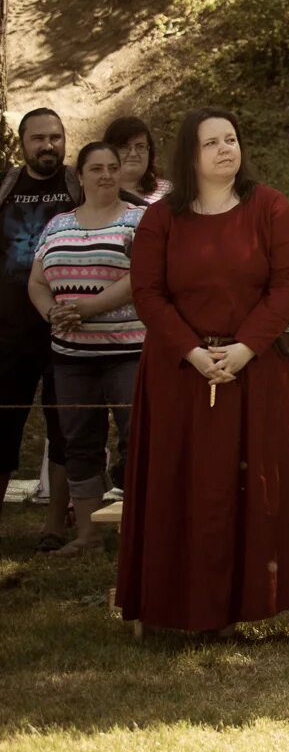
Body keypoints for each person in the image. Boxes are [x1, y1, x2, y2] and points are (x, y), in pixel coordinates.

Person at [114, 109, 289, 648]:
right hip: (183, 377)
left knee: (279, 489)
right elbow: (148, 293)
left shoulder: (270, 207)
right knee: (198, 490)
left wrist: (243, 349)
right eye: (211, 142)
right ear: (189, 156)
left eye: (231, 139)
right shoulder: (161, 219)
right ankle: (207, 614)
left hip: (266, 373)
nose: (224, 149)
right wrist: (193, 352)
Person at [26, 141, 143, 555]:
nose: (107, 174)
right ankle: (88, 535)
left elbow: (143, 277)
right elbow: (38, 282)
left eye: (113, 167)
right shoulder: (57, 224)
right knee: (79, 443)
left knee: (137, 439)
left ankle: (137, 532)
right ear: (81, 176)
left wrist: (88, 307)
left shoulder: (138, 221)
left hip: (129, 351)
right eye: (97, 168)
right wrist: (52, 314)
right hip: (71, 356)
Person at [2, 108, 80, 546]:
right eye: (38, 138)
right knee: (1, 429)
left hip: (64, 329)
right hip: (6, 332)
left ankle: (55, 525)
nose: (48, 145)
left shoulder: (78, 184)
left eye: (56, 137)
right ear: (22, 143)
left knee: (64, 427)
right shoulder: (6, 186)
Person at [105, 115, 173, 204]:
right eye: (124, 147)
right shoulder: (95, 193)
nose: (133, 154)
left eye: (140, 146)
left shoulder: (167, 192)